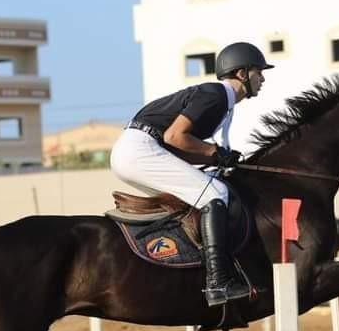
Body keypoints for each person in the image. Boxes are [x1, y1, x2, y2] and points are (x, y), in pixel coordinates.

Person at [110, 42, 273, 306]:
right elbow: (175, 136)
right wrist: (214, 152)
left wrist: (216, 158)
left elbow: (180, 148)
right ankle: (218, 283)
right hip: (139, 149)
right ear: (242, 73)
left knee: (204, 190)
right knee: (216, 194)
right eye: (259, 71)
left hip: (135, 150)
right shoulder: (216, 95)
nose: (263, 78)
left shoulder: (223, 103)